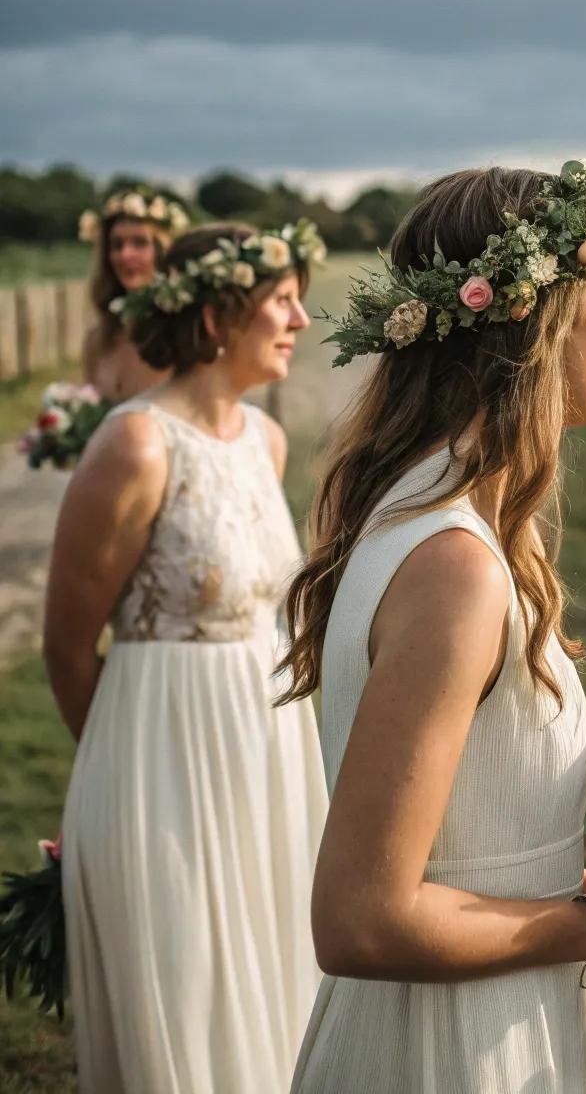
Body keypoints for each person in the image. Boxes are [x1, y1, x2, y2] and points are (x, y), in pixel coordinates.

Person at [280, 158, 586, 1094]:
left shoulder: (444, 522)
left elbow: (463, 853)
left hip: (495, 1001)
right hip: (446, 1046)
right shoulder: (455, 569)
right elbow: (359, 919)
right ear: (539, 320)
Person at [45, 218, 330, 1094]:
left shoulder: (265, 442)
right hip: (159, 777)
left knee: (279, 1001)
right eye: (281, 301)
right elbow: (65, 644)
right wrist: (128, 782)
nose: (301, 321)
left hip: (269, 769)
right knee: (188, 1011)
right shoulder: (134, 444)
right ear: (217, 315)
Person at [78, 189, 190, 402]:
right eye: (116, 245)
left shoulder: (183, 334)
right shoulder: (99, 339)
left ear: (162, 250)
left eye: (139, 243)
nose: (125, 254)